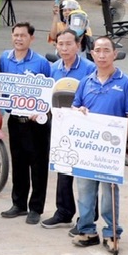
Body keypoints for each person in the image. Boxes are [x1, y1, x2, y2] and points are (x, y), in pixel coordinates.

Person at [69, 36, 128, 250]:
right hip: (87, 149)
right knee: (85, 192)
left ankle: (112, 232)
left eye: (106, 50)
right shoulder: (85, 82)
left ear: (114, 54)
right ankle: (87, 230)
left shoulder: (127, 83)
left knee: (109, 194)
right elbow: (75, 107)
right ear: (91, 53)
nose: (101, 55)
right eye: (97, 50)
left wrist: (125, 142)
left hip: (111, 151)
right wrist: (77, 111)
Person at [0, 22, 53, 224]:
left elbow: (49, 92)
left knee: (38, 165)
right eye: (16, 35)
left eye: (23, 35)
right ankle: (18, 204)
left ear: (31, 38)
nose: (19, 39)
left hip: (36, 122)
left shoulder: (40, 62)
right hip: (15, 120)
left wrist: (40, 110)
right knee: (18, 163)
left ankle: (35, 208)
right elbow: (1, 83)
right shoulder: (5, 58)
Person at [41, 30, 96, 230]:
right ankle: (63, 212)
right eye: (60, 44)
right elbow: (47, 96)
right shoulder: (54, 68)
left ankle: (87, 218)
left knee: (85, 178)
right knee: (63, 172)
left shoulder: (90, 68)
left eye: (68, 44)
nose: (64, 48)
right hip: (60, 128)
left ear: (78, 44)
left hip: (83, 129)